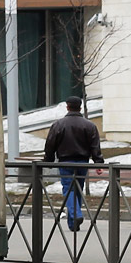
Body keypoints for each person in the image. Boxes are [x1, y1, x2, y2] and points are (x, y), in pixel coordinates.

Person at [43, 95, 103, 232]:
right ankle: (73, 223)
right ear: (80, 107)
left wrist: (48, 160)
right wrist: (98, 162)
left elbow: (50, 144)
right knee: (77, 190)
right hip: (83, 163)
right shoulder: (90, 125)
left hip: (65, 162)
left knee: (68, 189)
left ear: (67, 106)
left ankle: (76, 214)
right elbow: (95, 145)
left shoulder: (58, 124)